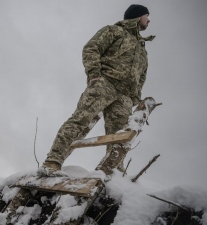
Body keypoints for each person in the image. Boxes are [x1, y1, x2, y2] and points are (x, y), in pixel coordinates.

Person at [38, 4, 155, 176]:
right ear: (137, 17)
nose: (149, 20)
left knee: (120, 137)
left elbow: (142, 76)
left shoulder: (142, 49)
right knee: (80, 121)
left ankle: (113, 173)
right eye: (147, 15)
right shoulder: (114, 31)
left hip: (125, 97)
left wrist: (135, 98)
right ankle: (53, 161)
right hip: (104, 84)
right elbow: (91, 48)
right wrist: (94, 75)